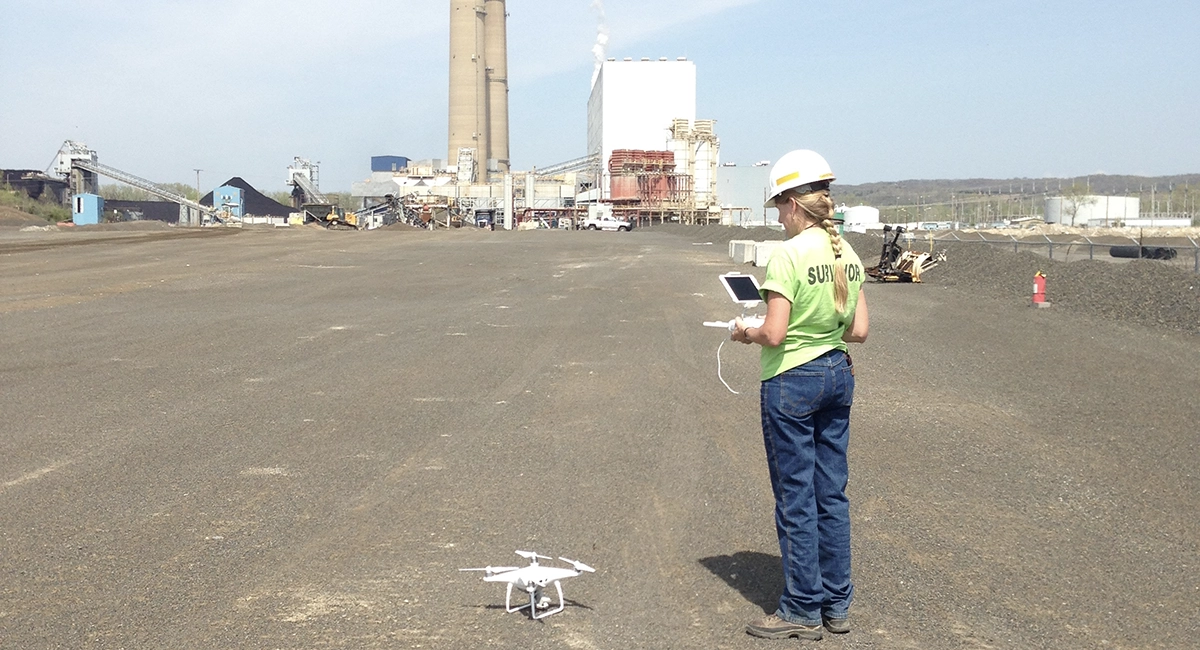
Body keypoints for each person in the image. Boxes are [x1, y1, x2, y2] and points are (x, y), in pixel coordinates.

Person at [733, 149, 869, 641]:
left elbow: (773, 334)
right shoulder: (846, 254)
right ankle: (837, 605)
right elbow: (859, 330)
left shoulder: (786, 255)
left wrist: (743, 331)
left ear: (792, 204)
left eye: (778, 208)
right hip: (837, 374)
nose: (779, 217)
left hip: (792, 379)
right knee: (831, 493)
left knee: (795, 498)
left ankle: (801, 609)